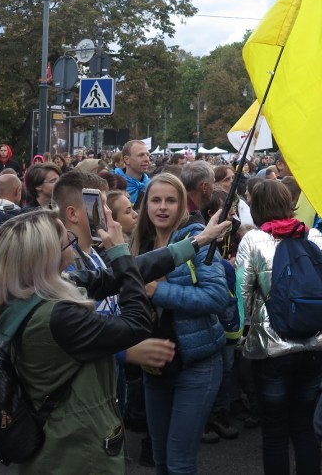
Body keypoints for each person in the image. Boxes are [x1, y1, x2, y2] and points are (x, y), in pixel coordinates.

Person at [0, 207, 156, 474]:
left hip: (54, 440)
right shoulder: (57, 315)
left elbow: (108, 279)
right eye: (65, 238)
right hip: (78, 448)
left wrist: (194, 244)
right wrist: (120, 251)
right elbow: (137, 324)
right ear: (49, 256)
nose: (72, 240)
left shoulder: (23, 295)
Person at [235, 179, 322, 474]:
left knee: (275, 431)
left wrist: (241, 339)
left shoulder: (252, 241)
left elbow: (241, 299)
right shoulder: (316, 237)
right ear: (289, 204)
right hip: (314, 344)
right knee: (304, 427)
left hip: (270, 348)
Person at [131, 173, 230, 475]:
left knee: (179, 462)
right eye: (156, 200)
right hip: (155, 364)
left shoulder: (196, 237)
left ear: (181, 206)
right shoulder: (139, 243)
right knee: (160, 459)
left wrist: (158, 291)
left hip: (196, 364)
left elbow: (217, 297)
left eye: (170, 201)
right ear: (145, 204)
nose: (162, 207)